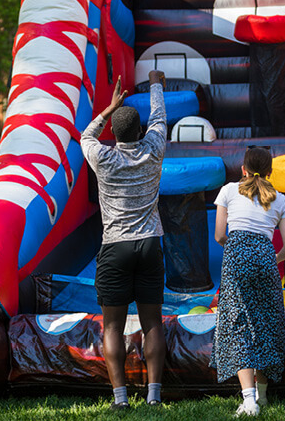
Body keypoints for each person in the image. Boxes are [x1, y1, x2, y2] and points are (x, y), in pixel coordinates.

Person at [80, 70, 167, 410]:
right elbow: (159, 118)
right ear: (140, 131)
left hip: (115, 247)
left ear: (113, 134)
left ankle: (120, 400)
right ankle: (154, 396)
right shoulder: (153, 150)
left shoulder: (103, 157)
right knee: (152, 322)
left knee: (113, 325)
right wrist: (156, 84)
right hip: (149, 244)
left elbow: (86, 135)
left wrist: (108, 108)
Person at [210, 147, 285, 417]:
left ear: (242, 169)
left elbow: (220, 235)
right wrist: (271, 258)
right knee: (267, 321)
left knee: (238, 324)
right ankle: (263, 395)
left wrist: (239, 250)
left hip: (237, 256)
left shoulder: (228, 191)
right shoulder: (280, 199)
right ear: (270, 171)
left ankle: (248, 401)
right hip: (266, 258)